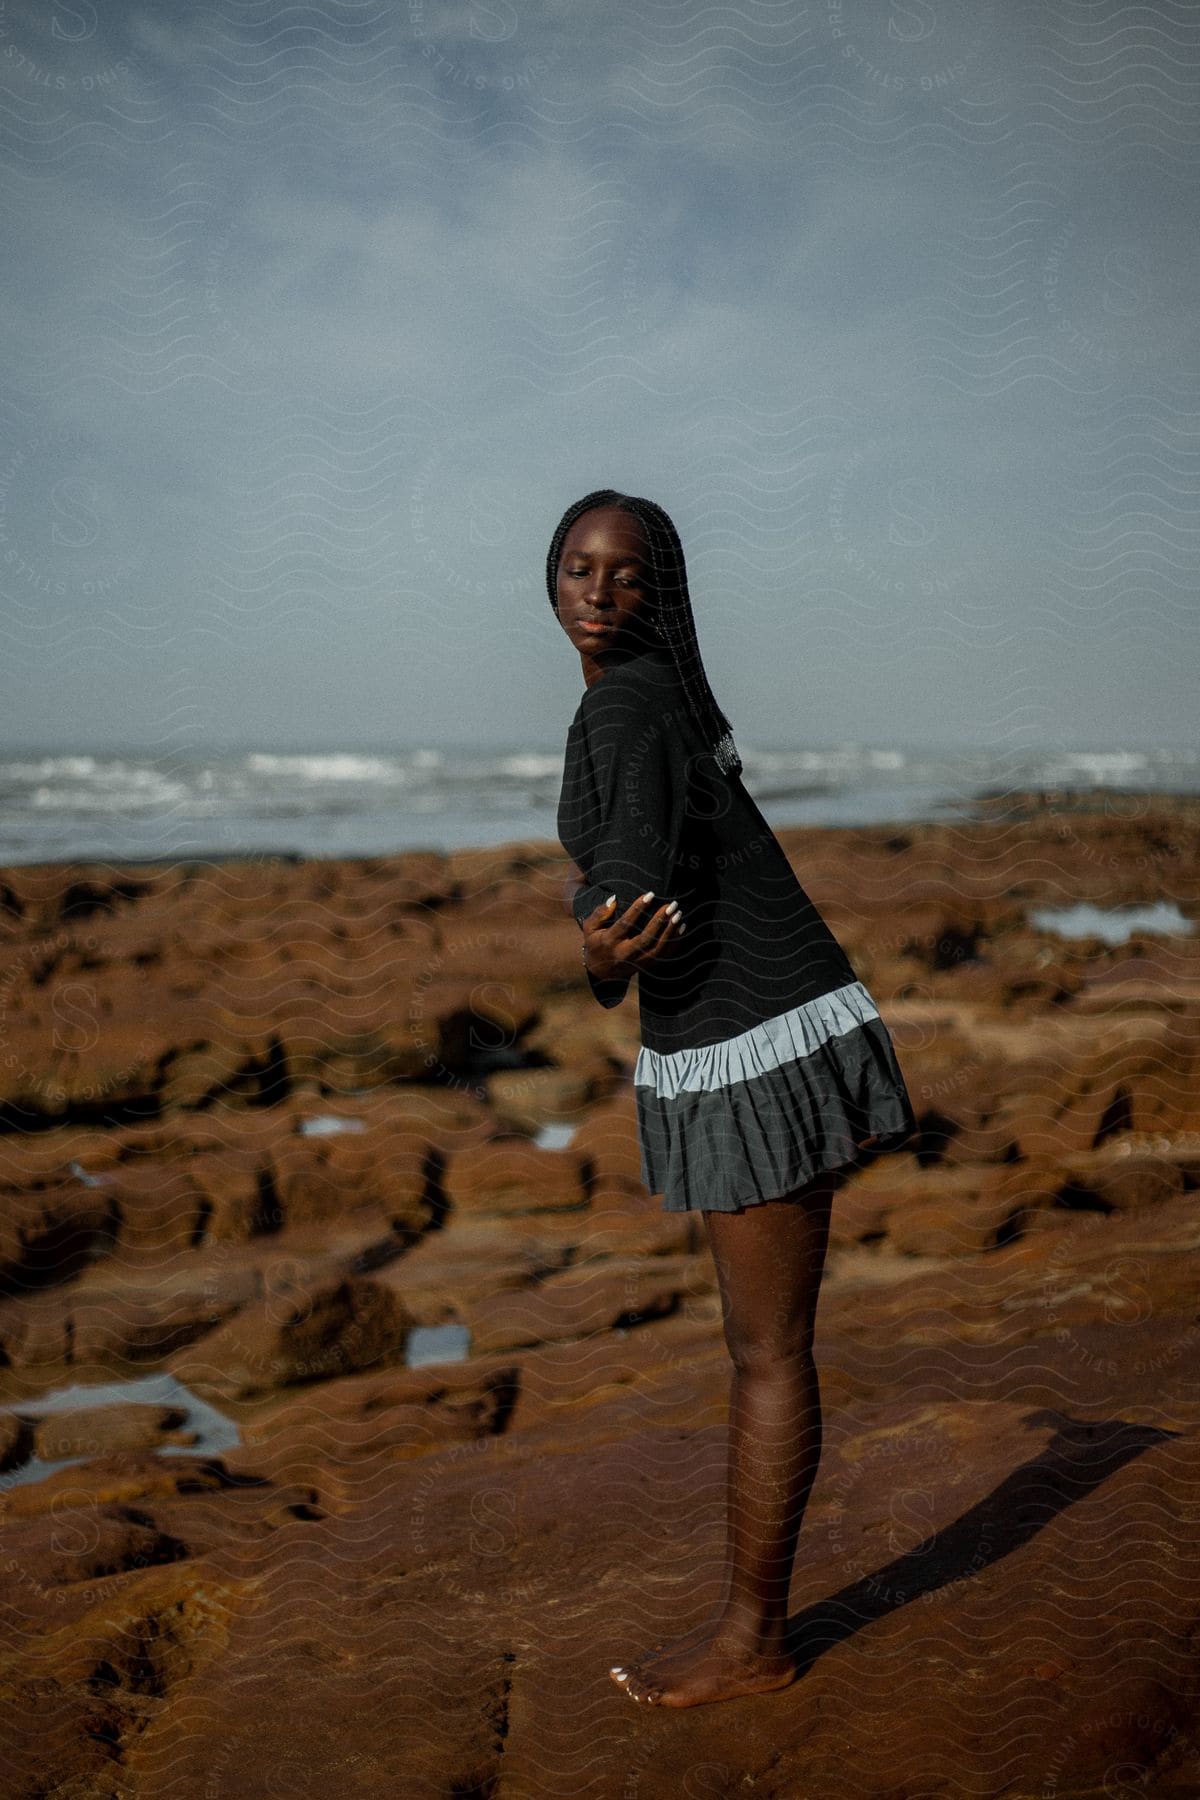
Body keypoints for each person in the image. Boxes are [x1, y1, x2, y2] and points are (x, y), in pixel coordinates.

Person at [551, 489, 918, 1710]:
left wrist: (601, 953)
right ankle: (749, 1628)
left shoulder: (626, 705)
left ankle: (754, 1643)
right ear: (547, 582)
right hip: (765, 1024)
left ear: (661, 595)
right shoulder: (651, 699)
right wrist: (611, 947)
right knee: (766, 1349)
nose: (598, 592)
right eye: (577, 568)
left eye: (626, 574)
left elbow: (628, 896)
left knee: (767, 1355)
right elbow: (642, 892)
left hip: (752, 1042)